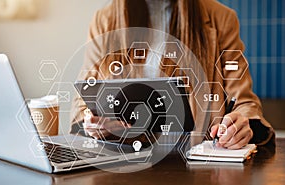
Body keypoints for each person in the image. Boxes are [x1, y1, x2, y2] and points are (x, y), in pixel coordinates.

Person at [70, 0, 275, 149]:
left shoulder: (221, 18)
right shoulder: (104, 20)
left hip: (195, 167)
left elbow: (244, 103)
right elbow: (84, 100)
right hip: (124, 163)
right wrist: (92, 121)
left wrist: (240, 125)